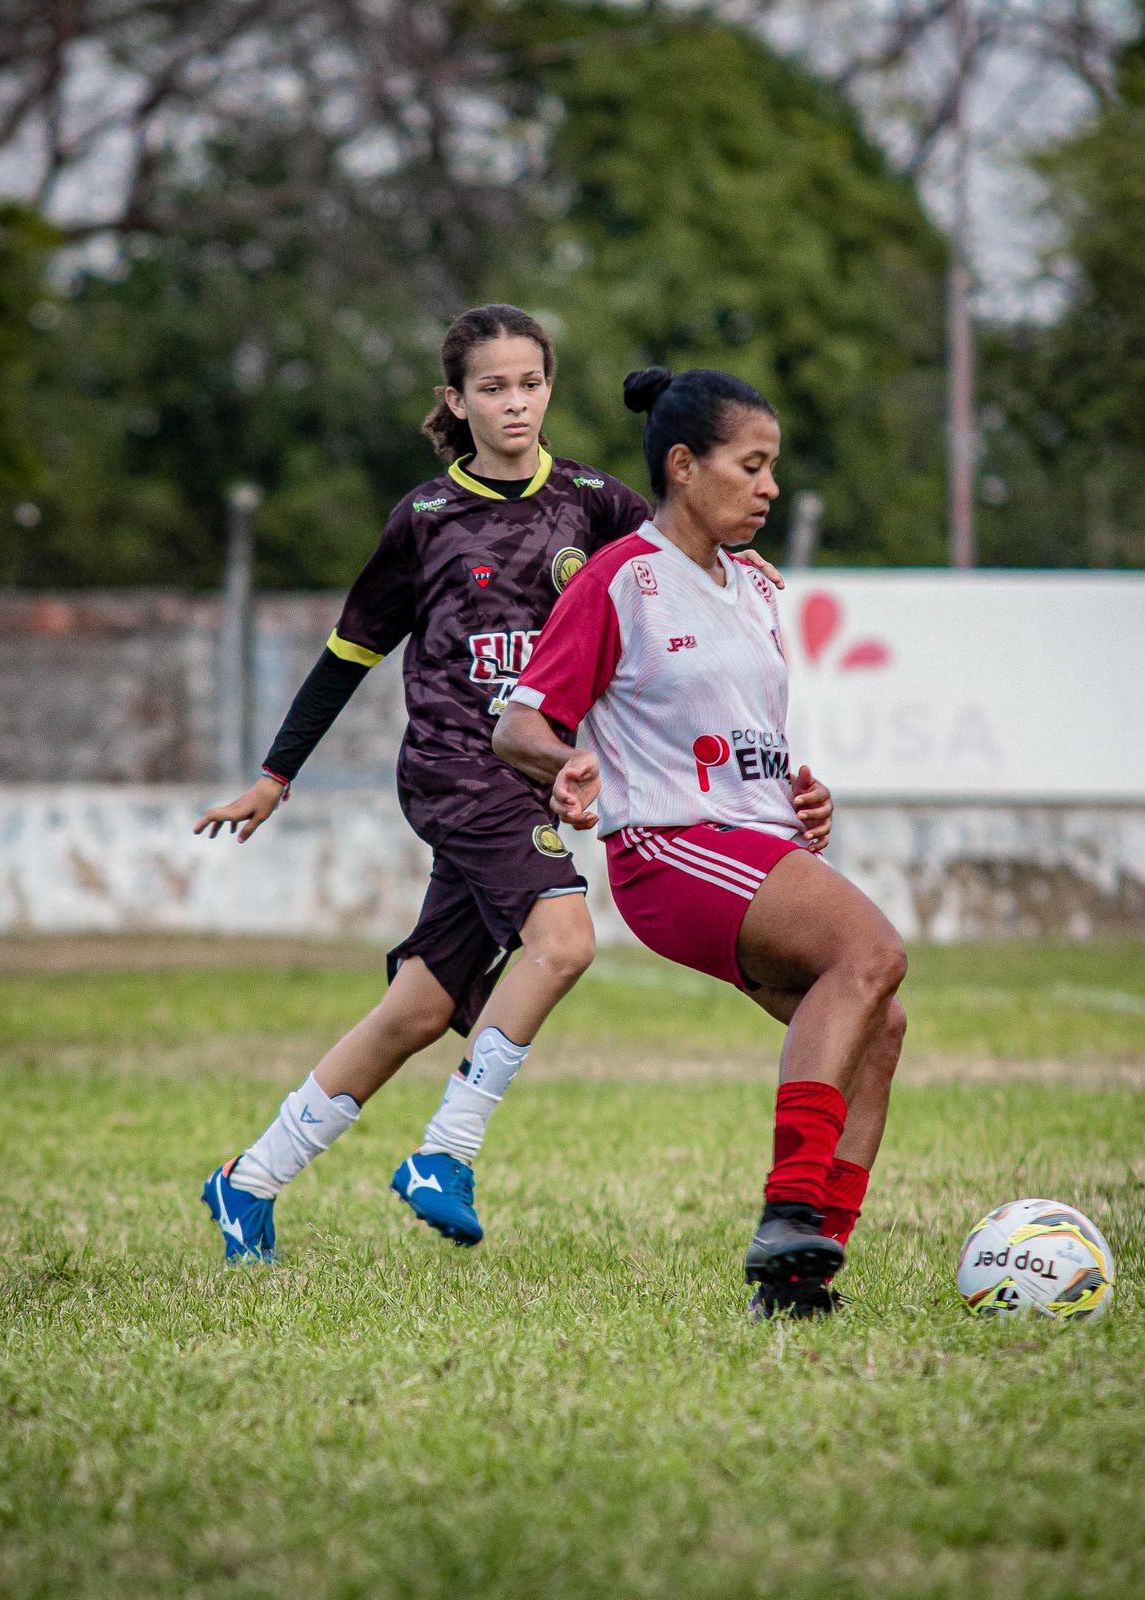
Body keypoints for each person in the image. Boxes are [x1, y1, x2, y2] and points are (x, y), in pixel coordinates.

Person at [191, 306, 810, 1261]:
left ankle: (249, 1181)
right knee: (562, 941)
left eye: (529, 384)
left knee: (421, 1007)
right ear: (457, 401)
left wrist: (736, 559)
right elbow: (347, 654)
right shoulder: (426, 521)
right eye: (492, 387)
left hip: (532, 785)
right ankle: (445, 1151)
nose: (513, 403)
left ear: (549, 389)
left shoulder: (593, 503)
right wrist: (277, 774)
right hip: (454, 768)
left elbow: (677, 551)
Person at [493, 366, 907, 1319]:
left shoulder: (758, 588)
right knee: (872, 952)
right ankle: (788, 1211)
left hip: (753, 844)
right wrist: (562, 765)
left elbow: (741, 736)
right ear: (684, 466)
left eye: (773, 470)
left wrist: (801, 797)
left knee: (879, 1029)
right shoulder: (622, 581)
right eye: (751, 467)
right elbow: (518, 726)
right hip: (671, 852)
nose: (769, 488)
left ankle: (801, 1278)